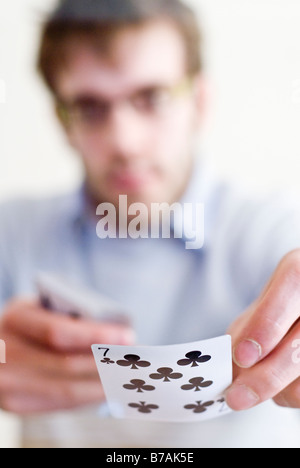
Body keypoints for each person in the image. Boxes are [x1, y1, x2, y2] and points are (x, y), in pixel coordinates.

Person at [0, 0, 300, 448]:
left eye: (152, 98)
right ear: (62, 122)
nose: (124, 141)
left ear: (200, 102)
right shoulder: (12, 231)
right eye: (89, 107)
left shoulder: (273, 228)